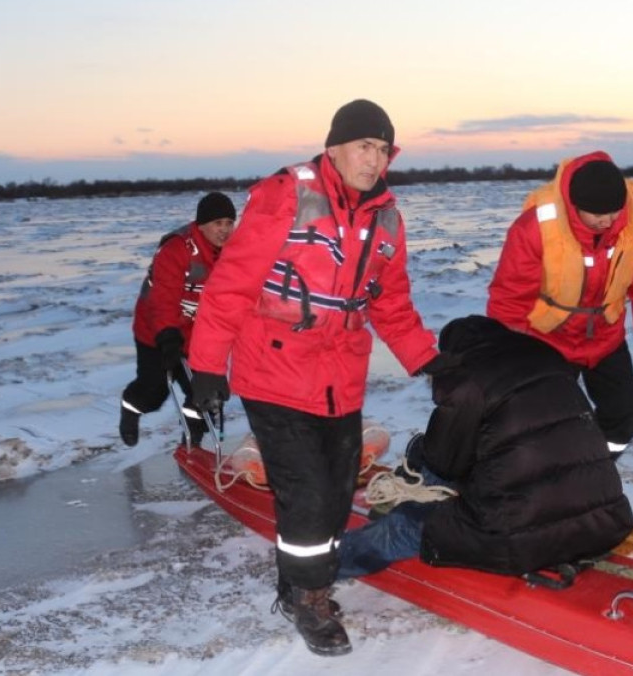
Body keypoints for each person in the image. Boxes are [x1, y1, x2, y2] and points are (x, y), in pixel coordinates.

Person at [186, 99, 445, 657]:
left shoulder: (387, 218)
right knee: (306, 494)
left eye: (382, 150)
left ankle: (304, 574)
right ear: (334, 148)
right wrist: (206, 365)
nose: (373, 160)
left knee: (336, 492)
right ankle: (307, 598)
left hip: (339, 377)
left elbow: (391, 302)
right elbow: (231, 285)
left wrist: (428, 360)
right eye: (363, 147)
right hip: (273, 370)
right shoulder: (288, 195)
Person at [337, 314, 633, 579]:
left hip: (518, 535)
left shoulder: (467, 383)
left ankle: (326, 567)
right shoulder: (551, 363)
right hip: (605, 520)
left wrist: (418, 453)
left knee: (404, 526)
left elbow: (442, 463)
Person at [487, 151, 633, 458]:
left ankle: (597, 464)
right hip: (549, 339)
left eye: (614, 212)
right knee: (542, 422)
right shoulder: (534, 227)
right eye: (597, 214)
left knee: (626, 418)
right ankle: (543, 470)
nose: (607, 221)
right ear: (575, 205)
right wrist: (507, 349)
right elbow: (510, 293)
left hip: (606, 338)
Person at [119, 191, 236, 448]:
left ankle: (192, 442)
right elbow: (162, 299)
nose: (225, 230)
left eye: (229, 223)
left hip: (197, 335)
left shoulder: (232, 252)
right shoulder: (177, 249)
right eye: (218, 223)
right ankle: (130, 406)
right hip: (157, 330)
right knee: (154, 392)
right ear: (201, 224)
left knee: (205, 393)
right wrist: (168, 336)